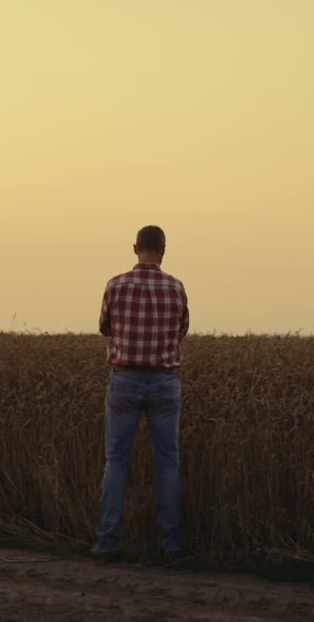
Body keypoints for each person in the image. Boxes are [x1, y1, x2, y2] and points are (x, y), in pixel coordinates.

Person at [94, 225, 190, 559]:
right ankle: (172, 546)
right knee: (168, 463)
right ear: (164, 250)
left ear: (135, 247)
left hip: (125, 380)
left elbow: (105, 327)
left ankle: (108, 543)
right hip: (165, 382)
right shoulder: (176, 288)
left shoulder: (116, 285)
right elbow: (181, 331)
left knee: (117, 461)